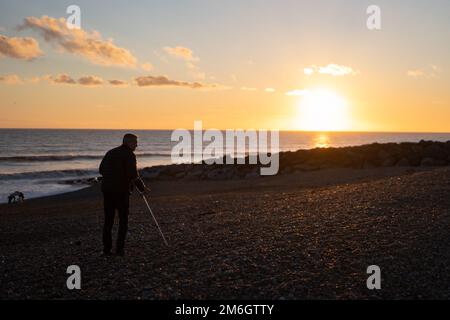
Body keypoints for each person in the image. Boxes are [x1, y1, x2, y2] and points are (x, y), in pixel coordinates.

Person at [99, 133, 149, 256]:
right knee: (123, 221)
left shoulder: (110, 152)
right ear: (128, 142)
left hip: (108, 190)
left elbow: (101, 170)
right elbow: (133, 175)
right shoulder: (129, 155)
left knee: (108, 221)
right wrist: (142, 188)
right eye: (135, 142)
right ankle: (119, 250)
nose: (137, 145)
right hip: (121, 192)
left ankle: (106, 250)